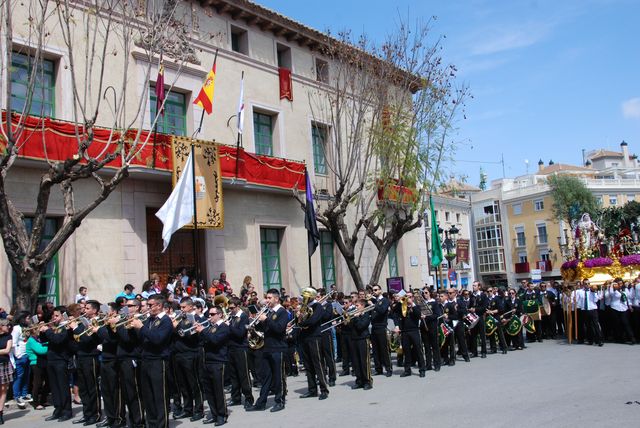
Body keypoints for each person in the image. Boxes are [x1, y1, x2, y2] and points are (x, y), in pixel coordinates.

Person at [131, 294, 174, 428]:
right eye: (147, 305)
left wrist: (141, 328)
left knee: (159, 395)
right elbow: (142, 340)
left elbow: (157, 339)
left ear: (159, 306)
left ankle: (162, 425)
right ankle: (152, 423)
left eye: (150, 305)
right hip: (146, 360)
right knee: (148, 396)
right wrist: (134, 327)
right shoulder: (149, 319)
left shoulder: (166, 321)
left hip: (158, 360)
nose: (147, 308)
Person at [246, 288, 288, 412]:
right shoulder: (268, 312)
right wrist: (256, 322)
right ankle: (261, 402)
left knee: (278, 376)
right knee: (266, 377)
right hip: (267, 347)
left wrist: (266, 319)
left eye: (269, 298)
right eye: (267, 298)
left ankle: (279, 401)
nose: (267, 300)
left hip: (278, 348)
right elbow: (265, 329)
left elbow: (279, 329)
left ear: (276, 298)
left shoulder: (282, 312)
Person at [113, 299, 145, 428]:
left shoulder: (138, 320)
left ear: (137, 307)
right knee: (127, 393)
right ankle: (133, 419)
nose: (128, 307)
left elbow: (127, 338)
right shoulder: (125, 319)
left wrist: (119, 324)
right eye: (127, 305)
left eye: (130, 305)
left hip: (132, 358)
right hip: (122, 358)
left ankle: (139, 422)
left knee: (134, 392)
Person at [70, 300, 102, 425]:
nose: (84, 310)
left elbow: (88, 340)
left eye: (87, 308)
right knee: (83, 388)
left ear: (94, 310)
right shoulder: (83, 321)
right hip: (81, 356)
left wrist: (76, 328)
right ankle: (87, 413)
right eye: (84, 308)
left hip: (91, 357)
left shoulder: (96, 322)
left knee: (92, 387)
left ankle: (96, 414)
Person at [196, 305, 229, 426]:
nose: (209, 317)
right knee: (209, 390)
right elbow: (203, 342)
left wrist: (203, 331)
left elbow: (215, 341)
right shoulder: (210, 327)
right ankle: (214, 414)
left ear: (220, 315)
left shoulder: (224, 327)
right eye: (209, 314)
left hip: (218, 361)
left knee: (218, 390)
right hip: (207, 361)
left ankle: (222, 414)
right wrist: (199, 331)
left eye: (212, 314)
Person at [172, 298, 205, 421]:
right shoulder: (180, 318)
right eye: (180, 307)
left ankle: (199, 409)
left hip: (190, 354)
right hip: (178, 354)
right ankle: (187, 409)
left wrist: (175, 327)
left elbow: (188, 336)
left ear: (191, 307)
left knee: (194, 383)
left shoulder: (194, 318)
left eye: (183, 307)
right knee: (183, 384)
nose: (181, 310)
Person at [40, 306, 73, 422]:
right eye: (53, 315)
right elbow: (44, 340)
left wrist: (48, 330)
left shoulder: (66, 327)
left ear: (63, 316)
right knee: (54, 387)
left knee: (63, 386)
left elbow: (58, 340)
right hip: (51, 358)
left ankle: (67, 411)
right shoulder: (54, 327)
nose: (54, 318)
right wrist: (42, 331)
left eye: (57, 315)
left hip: (61, 359)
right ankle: (58, 409)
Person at [297, 289, 330, 400]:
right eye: (304, 297)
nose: (304, 299)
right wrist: (299, 316)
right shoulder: (303, 307)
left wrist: (302, 323)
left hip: (314, 337)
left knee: (317, 363)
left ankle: (324, 389)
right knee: (308, 365)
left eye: (306, 297)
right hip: (304, 337)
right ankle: (312, 389)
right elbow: (298, 322)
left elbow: (313, 321)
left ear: (312, 296)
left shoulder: (317, 307)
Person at [226, 297, 254, 409]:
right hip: (231, 348)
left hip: (241, 348)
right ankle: (236, 397)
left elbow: (240, 333)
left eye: (232, 308)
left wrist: (229, 327)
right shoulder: (231, 317)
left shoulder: (243, 317)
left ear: (237, 306)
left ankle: (248, 398)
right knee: (233, 375)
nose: (230, 310)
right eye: (229, 308)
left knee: (243, 375)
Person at [393, 292, 426, 377]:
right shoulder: (402, 306)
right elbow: (394, 312)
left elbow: (418, 315)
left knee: (418, 350)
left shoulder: (416, 306)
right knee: (406, 351)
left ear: (413, 298)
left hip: (414, 331)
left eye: (410, 297)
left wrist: (412, 304)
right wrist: (402, 299)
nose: (408, 298)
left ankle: (422, 369)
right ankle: (407, 370)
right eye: (407, 296)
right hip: (404, 331)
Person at [369, 285, 392, 377]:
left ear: (380, 290)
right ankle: (378, 369)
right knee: (375, 350)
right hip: (374, 327)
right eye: (373, 290)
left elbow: (382, 311)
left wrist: (373, 305)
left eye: (375, 290)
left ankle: (388, 368)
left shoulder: (385, 300)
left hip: (382, 327)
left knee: (384, 349)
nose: (373, 291)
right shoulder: (374, 301)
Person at [350, 299, 373, 390]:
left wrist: (356, 317)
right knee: (356, 362)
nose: (356, 307)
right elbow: (349, 326)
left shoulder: (366, 315)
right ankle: (359, 381)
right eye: (355, 306)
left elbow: (361, 326)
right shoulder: (354, 315)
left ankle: (367, 381)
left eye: (357, 306)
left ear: (363, 306)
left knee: (364, 361)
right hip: (354, 339)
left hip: (363, 339)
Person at [11, 312, 32, 407]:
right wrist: (18, 355)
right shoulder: (16, 329)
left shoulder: (27, 328)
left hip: (27, 354)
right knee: (19, 377)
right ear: (22, 319)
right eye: (28, 318)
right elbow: (14, 343)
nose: (29, 320)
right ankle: (17, 395)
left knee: (26, 376)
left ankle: (24, 393)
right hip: (20, 356)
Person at [25, 326, 49, 411]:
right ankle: (36, 402)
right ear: (33, 331)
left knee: (48, 382)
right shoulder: (31, 340)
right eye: (37, 329)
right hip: (35, 363)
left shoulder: (38, 339)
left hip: (43, 362)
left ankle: (43, 400)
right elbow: (41, 350)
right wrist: (50, 344)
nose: (40, 331)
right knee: (37, 383)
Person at [0, 319, 14, 424]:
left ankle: (0, 413)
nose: (8, 327)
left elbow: (7, 350)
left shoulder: (8, 336)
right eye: (6, 325)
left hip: (4, 364)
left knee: (4, 389)